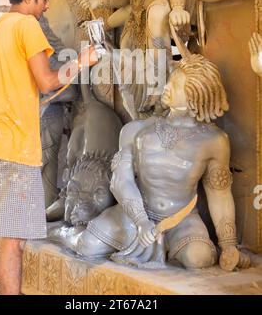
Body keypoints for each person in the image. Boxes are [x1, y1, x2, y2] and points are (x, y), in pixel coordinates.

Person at [0, 0, 99, 295]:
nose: (47, 5)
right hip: (16, 153)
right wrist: (83, 60)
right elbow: (48, 81)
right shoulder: (28, 25)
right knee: (14, 244)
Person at [56, 52, 250, 271]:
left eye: (175, 85)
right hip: (135, 215)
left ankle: (173, 246)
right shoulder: (137, 131)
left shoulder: (214, 141)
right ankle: (63, 233)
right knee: (86, 245)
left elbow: (219, 193)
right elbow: (121, 181)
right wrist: (141, 221)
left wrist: (228, 245)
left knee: (200, 258)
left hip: (181, 221)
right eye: (169, 80)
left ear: (195, 95)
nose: (166, 87)